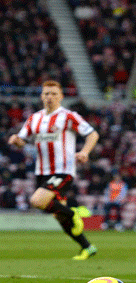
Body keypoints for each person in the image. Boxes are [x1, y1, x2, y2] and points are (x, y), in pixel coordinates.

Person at [8, 80, 100, 260]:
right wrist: (16, 141)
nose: (50, 97)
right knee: (59, 216)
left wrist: (85, 151)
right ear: (41, 96)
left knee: (37, 200)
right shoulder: (34, 118)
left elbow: (92, 133)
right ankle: (87, 247)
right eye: (46, 93)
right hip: (42, 172)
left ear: (61, 96)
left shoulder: (68, 116)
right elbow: (22, 141)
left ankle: (73, 213)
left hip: (63, 170)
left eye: (54, 94)